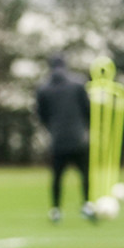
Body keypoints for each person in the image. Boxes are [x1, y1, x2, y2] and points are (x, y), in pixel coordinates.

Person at [36, 54, 95, 223]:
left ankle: (55, 210)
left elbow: (41, 115)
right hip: (78, 137)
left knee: (57, 176)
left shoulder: (44, 88)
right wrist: (84, 127)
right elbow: (87, 109)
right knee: (84, 173)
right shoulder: (78, 84)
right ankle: (86, 205)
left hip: (58, 139)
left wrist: (52, 128)